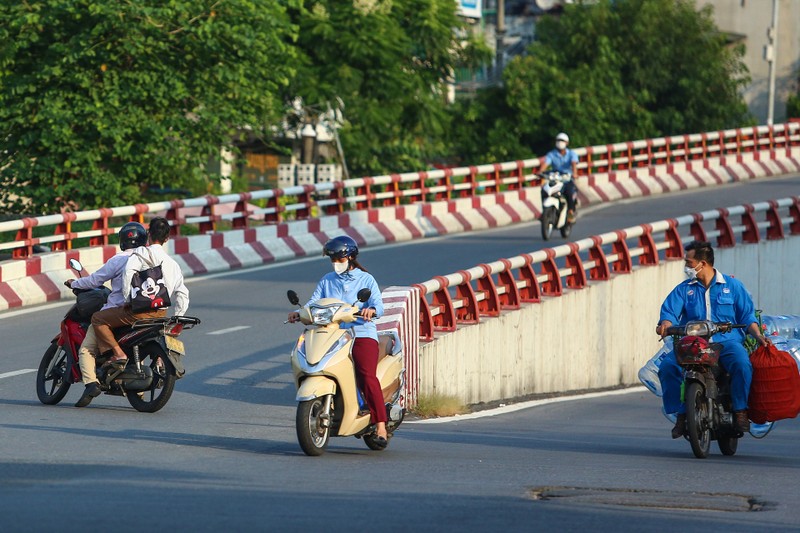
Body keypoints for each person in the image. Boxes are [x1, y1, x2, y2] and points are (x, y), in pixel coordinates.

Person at [655, 241, 770, 438]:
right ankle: (681, 414)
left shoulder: (733, 286)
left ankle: (741, 410)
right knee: (667, 367)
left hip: (727, 342)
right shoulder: (684, 289)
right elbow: (669, 313)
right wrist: (665, 324)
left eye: (689, 262)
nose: (686, 267)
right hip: (692, 344)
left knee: (742, 364)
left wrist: (758, 335)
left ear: (703, 263)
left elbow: (747, 317)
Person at [286, 235, 388, 447]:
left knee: (366, 374)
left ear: (350, 258)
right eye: (333, 259)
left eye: (339, 260)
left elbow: (378, 305)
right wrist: (299, 311)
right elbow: (313, 303)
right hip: (334, 333)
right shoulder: (327, 280)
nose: (336, 264)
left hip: (361, 332)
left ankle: (380, 425)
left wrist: (371, 310)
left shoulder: (366, 280)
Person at [77, 217, 190, 407]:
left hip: (136, 312)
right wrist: (178, 316)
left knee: (96, 320)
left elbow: (127, 275)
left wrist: (129, 300)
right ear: (168, 238)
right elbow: (183, 293)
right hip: (160, 315)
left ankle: (116, 355)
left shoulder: (138, 255)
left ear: (150, 235)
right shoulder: (173, 264)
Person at [69, 221, 149, 407]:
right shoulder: (151, 259)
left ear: (122, 241)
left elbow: (94, 280)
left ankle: (91, 384)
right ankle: (140, 389)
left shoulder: (119, 259)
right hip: (147, 311)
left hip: (119, 312)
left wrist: (74, 283)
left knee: (87, 348)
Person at [541, 132, 579, 223]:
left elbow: (574, 164)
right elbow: (545, 164)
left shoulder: (571, 154)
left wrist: (574, 173)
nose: (560, 142)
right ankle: (544, 212)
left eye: (562, 141)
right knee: (544, 190)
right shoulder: (552, 154)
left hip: (567, 178)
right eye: (558, 140)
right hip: (555, 178)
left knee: (569, 192)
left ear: (567, 143)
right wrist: (540, 172)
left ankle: (570, 212)